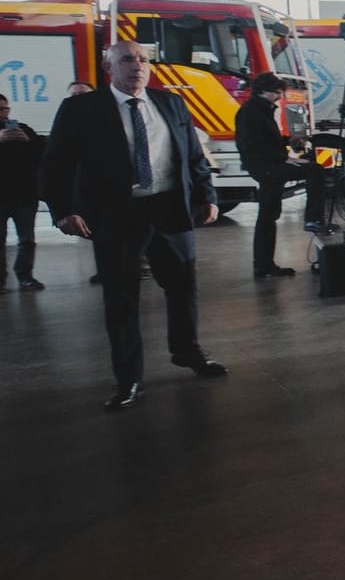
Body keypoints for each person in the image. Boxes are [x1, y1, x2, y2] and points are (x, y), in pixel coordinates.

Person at [41, 41, 226, 410]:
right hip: (117, 215)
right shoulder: (82, 109)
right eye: (127, 59)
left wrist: (208, 196)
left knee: (182, 286)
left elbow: (193, 155)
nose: (137, 65)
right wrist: (63, 210)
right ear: (109, 67)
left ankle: (187, 351)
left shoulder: (171, 103)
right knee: (121, 297)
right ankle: (129, 379)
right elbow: (56, 163)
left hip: (170, 209)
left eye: (143, 59)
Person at [234, 71, 325, 279]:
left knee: (268, 215)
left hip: (267, 165)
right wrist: (285, 158)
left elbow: (265, 140)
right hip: (265, 167)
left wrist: (288, 141)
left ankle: (264, 265)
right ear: (265, 92)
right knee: (314, 171)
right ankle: (313, 219)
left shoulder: (261, 110)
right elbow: (251, 144)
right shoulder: (251, 112)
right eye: (278, 93)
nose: (280, 97)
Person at [0, 94, 46, 291]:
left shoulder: (22, 128)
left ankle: (25, 276)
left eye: (4, 109)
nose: (2, 113)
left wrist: (30, 141)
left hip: (24, 195)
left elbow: (42, 153)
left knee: (26, 239)